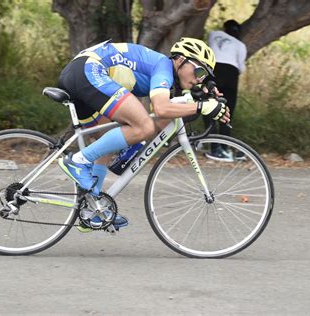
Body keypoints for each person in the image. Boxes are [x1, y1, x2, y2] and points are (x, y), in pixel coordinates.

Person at [56, 38, 230, 231]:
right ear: (180, 60)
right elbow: (162, 108)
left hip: (80, 73)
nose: (199, 79)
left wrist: (206, 95)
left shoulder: (167, 76)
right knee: (143, 126)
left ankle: (93, 209)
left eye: (204, 77)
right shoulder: (163, 66)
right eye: (199, 71)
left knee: (110, 139)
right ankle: (78, 161)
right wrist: (202, 106)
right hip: (89, 70)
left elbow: (166, 112)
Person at [205, 20, 247, 162]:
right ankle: (224, 148)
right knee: (227, 111)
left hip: (214, 70)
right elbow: (241, 67)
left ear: (224, 28)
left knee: (208, 109)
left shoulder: (213, 34)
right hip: (231, 73)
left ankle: (214, 148)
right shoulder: (240, 45)